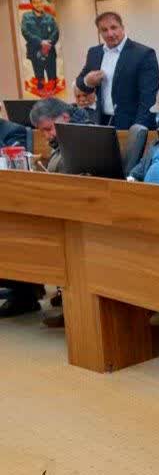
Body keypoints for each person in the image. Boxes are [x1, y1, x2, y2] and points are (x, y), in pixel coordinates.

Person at [0, 98, 89, 320]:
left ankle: (62, 300)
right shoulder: (62, 141)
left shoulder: (81, 140)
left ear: (65, 118)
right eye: (43, 131)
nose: (47, 135)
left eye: (49, 129)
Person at [75, 11, 159, 129]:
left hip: (133, 124)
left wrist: (139, 127)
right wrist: (87, 81)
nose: (110, 33)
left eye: (114, 27)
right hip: (103, 122)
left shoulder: (143, 54)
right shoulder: (94, 53)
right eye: (104, 30)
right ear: (99, 32)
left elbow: (149, 97)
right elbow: (80, 82)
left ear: (122, 28)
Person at [20, 0, 59, 89]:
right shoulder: (26, 17)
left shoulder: (49, 17)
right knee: (40, 81)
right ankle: (41, 97)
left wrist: (48, 44)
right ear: (31, 4)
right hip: (35, 53)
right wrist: (41, 42)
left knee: (53, 80)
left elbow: (56, 32)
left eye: (40, 2)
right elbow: (25, 32)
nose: (38, 4)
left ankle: (53, 97)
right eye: (35, 2)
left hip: (50, 52)